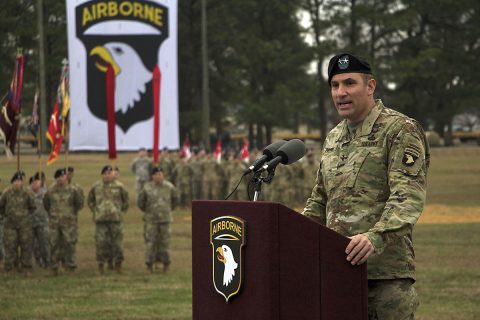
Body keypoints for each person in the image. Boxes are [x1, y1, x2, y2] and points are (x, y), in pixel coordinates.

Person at [302, 53, 430, 319]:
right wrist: (293, 237)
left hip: (384, 279)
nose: (341, 93)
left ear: (370, 86)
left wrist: (374, 238)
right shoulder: (334, 137)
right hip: (337, 275)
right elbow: (320, 201)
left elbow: (407, 198)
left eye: (350, 83)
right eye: (335, 86)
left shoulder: (399, 130)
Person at [88, 165, 129, 274]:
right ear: (102, 175)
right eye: (105, 173)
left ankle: (118, 264)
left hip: (115, 219)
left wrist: (119, 211)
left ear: (113, 174)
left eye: (109, 173)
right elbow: (90, 201)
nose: (107, 175)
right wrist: (97, 211)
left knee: (117, 243)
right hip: (101, 220)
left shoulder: (120, 187)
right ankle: (101, 265)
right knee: (101, 243)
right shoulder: (96, 186)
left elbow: (126, 201)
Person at [43, 168, 84, 275]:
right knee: (54, 244)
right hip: (54, 223)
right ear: (56, 179)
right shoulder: (50, 191)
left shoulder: (73, 190)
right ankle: (54, 267)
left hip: (69, 223)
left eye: (62, 176)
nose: (61, 179)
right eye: (58, 177)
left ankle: (70, 266)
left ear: (66, 177)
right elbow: (46, 204)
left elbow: (79, 204)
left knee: (69, 243)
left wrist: (71, 214)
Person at [137, 167, 177, 273]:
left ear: (163, 175)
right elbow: (141, 202)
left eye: (160, 174)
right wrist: (149, 212)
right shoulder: (147, 188)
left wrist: (167, 210)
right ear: (152, 176)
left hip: (165, 219)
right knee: (151, 243)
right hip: (151, 220)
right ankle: (149, 264)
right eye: (156, 175)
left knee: (165, 243)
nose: (158, 177)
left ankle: (166, 264)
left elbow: (174, 200)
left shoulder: (169, 187)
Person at [0, 172, 36, 274]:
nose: (17, 183)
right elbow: (1, 206)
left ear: (22, 182)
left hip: (24, 225)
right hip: (10, 226)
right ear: (12, 183)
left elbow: (33, 206)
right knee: (10, 246)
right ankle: (11, 267)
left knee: (26, 246)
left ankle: (26, 267)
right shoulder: (7, 193)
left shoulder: (27, 193)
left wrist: (26, 217)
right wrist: (6, 216)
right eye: (15, 181)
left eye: (19, 181)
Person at [29, 173, 50, 268]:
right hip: (31, 223)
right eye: (33, 182)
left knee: (44, 244)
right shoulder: (28, 193)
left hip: (43, 223)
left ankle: (48, 263)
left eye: (36, 181)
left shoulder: (45, 193)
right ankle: (37, 261)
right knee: (34, 246)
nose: (34, 183)